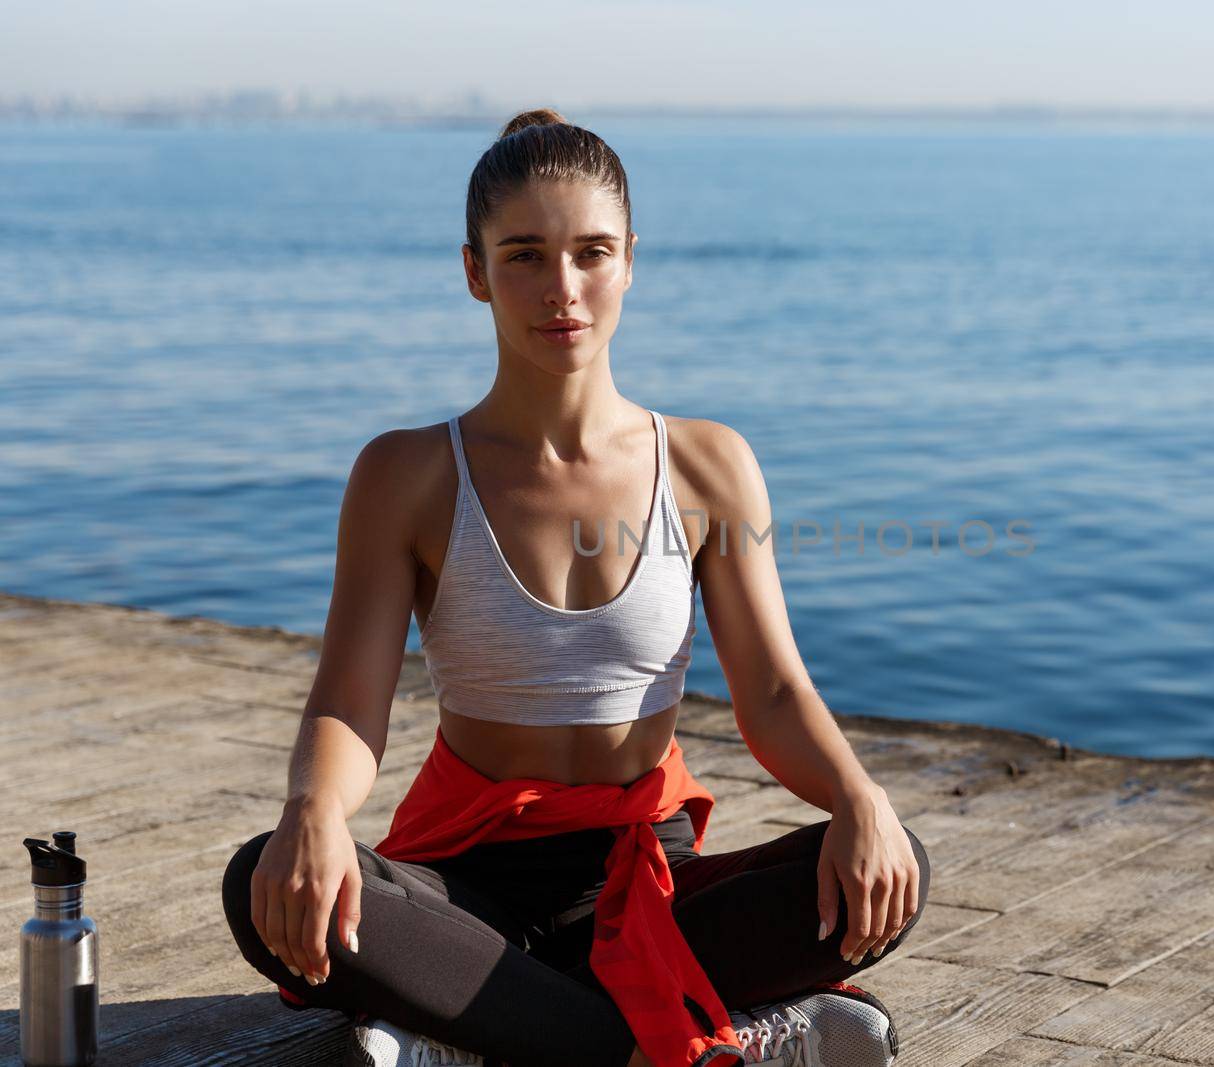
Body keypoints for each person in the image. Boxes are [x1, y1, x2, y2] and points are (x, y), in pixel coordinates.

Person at [219, 107, 932, 1067]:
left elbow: (772, 691)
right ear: (474, 271)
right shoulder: (409, 474)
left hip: (650, 876)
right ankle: (694, 1040)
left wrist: (857, 797)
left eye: (591, 252)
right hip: (467, 880)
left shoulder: (708, 466)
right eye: (524, 254)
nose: (563, 289)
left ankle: (474, 1033)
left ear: (631, 258)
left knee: (896, 865)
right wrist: (311, 813)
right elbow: (350, 701)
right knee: (258, 883)